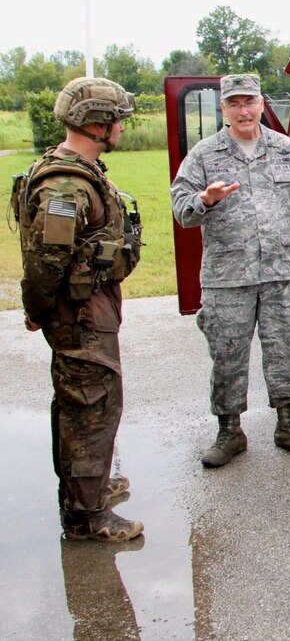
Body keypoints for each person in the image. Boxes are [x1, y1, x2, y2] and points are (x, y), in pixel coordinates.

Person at [171, 74, 290, 468]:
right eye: (234, 103)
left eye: (249, 102)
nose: (243, 110)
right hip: (227, 278)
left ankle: (288, 426)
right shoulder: (204, 156)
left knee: (288, 350)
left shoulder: (287, 150)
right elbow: (182, 210)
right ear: (223, 109)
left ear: (261, 104)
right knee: (227, 354)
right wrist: (204, 200)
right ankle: (229, 432)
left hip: (283, 275)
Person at [13, 77, 144, 541]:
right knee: (91, 407)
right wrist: (38, 310)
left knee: (82, 405)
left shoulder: (77, 170)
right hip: (80, 316)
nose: (122, 130)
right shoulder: (66, 186)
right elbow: (46, 263)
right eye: (118, 121)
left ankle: (87, 489)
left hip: (88, 310)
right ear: (98, 123)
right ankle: (88, 518)